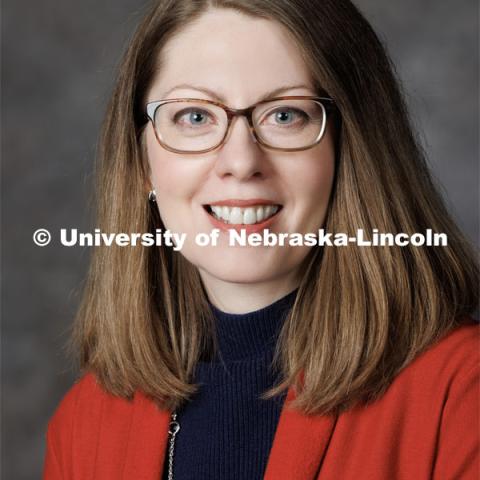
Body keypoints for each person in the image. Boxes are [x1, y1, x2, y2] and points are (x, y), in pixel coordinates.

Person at [43, 1, 479, 479]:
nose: (241, 161)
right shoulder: (85, 423)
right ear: (141, 160)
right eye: (193, 117)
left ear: (352, 151)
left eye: (286, 115)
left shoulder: (461, 396)